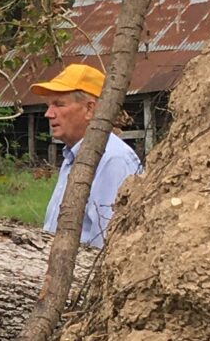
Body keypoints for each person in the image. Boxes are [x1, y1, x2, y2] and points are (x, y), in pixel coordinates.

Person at [32, 61, 143, 250]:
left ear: (90, 109)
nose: (48, 114)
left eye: (58, 104)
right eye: (49, 105)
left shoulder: (112, 160)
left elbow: (107, 244)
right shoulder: (73, 156)